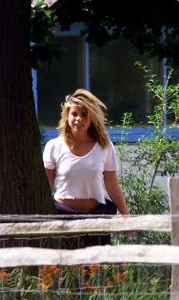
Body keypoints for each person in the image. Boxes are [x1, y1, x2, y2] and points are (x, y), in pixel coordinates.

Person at [43, 89, 130, 245]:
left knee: (99, 267)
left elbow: (112, 185)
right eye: (74, 114)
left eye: (84, 115)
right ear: (67, 116)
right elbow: (46, 186)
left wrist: (127, 218)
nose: (78, 119)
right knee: (66, 267)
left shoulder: (104, 146)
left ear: (92, 119)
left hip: (96, 218)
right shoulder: (53, 146)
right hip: (64, 218)